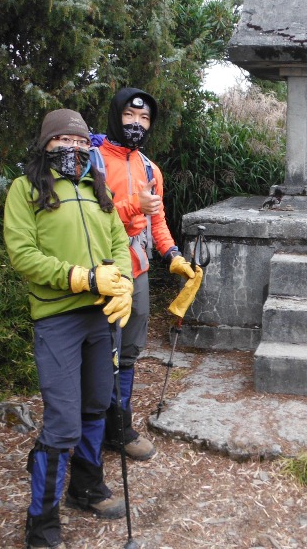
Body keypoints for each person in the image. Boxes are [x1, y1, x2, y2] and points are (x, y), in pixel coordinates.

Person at [3, 108, 134, 548]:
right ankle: (40, 522)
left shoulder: (97, 189)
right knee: (62, 423)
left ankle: (86, 488)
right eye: (62, 141)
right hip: (57, 318)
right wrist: (79, 276)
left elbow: (119, 238)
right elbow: (22, 253)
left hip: (101, 315)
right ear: (46, 145)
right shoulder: (25, 191)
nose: (72, 148)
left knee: (97, 406)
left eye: (80, 142)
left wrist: (122, 284)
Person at [92, 87, 195, 461]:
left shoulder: (150, 168)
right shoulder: (92, 160)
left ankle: (120, 429)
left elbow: (157, 219)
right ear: (116, 115)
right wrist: (135, 203)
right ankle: (92, 431)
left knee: (130, 353)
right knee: (102, 352)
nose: (137, 124)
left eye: (145, 119)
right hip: (100, 271)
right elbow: (89, 220)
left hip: (138, 269)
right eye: (130, 116)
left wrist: (173, 253)